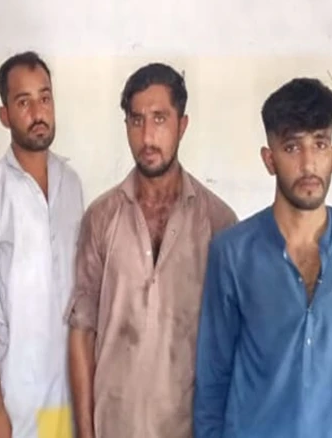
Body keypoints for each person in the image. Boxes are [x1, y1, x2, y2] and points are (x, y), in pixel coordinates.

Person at [65, 63, 237, 438]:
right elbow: (82, 331)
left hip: (187, 426)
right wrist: (85, 432)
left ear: (182, 125)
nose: (147, 136)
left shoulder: (218, 223)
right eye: (136, 120)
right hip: (114, 425)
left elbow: (229, 345)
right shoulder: (101, 217)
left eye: (160, 119)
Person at [194, 78, 332, 438]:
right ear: (269, 160)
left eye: (319, 144)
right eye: (292, 147)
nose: (308, 163)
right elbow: (212, 384)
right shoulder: (232, 253)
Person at [0, 51, 84, 438]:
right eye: (23, 102)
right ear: (5, 115)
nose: (37, 112)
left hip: (64, 395)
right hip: (16, 399)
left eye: (44, 98)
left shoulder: (71, 184)